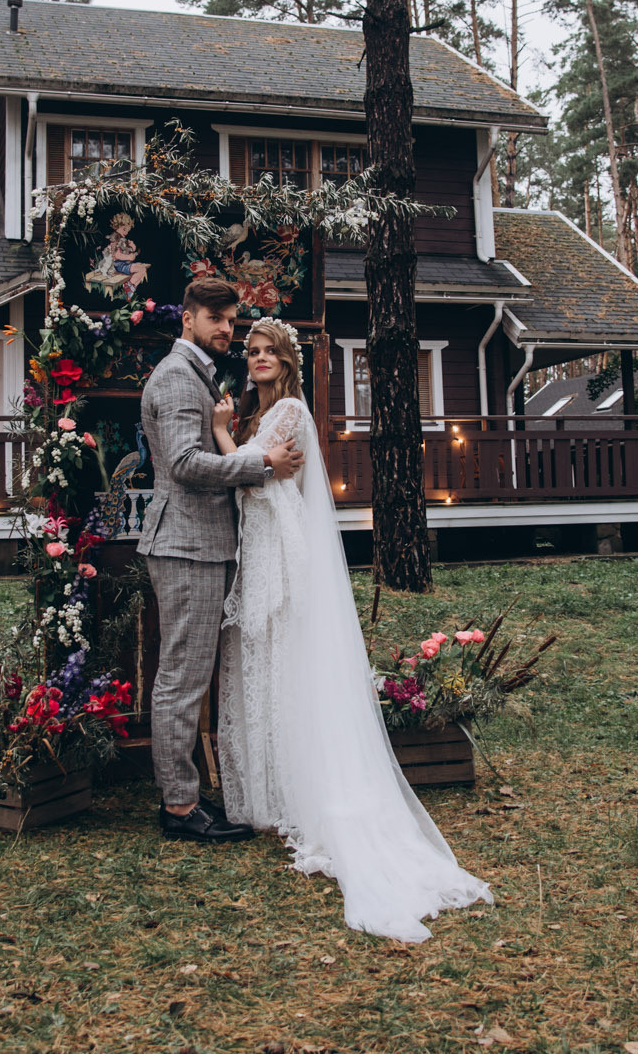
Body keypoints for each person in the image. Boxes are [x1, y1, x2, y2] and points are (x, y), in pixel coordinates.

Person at [208, 316, 494, 942]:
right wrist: (241, 443)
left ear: (287, 363)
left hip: (278, 558)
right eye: (251, 351)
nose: (257, 359)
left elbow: (256, 477)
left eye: (268, 353)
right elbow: (259, 472)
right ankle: (268, 795)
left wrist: (224, 435)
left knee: (278, 662)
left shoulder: (285, 414)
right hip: (256, 552)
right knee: (262, 665)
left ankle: (292, 795)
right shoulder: (263, 420)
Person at [137, 277, 304, 843]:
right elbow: (185, 463)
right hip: (185, 543)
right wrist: (259, 467)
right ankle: (180, 808)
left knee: (186, 677)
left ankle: (183, 793)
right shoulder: (179, 377)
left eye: (232, 321)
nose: (226, 330)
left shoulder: (196, 373)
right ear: (188, 318)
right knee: (181, 680)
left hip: (199, 543)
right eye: (217, 319)